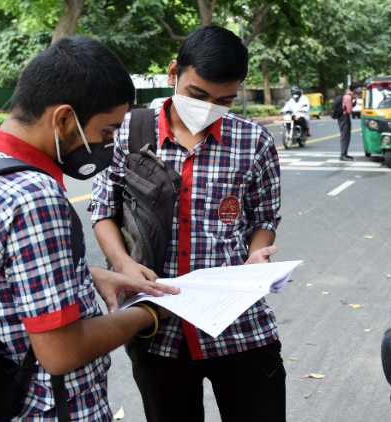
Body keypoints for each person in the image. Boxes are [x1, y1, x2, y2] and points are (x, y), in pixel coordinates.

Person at [0, 36, 178, 420]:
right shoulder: (34, 197)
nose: (108, 143)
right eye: (106, 131)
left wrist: (91, 276)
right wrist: (153, 313)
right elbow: (60, 352)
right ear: (64, 118)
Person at [92, 25, 284, 422]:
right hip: (158, 329)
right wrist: (124, 265)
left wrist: (256, 259)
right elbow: (103, 210)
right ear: (173, 72)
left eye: (224, 100)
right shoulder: (128, 131)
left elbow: (264, 218)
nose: (209, 106)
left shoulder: (254, 142)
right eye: (198, 95)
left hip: (239, 327)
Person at [338, 85, 355, 161]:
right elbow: (349, 111)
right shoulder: (348, 97)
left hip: (342, 117)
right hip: (344, 117)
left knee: (346, 135)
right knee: (345, 135)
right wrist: (353, 103)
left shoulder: (347, 96)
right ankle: (343, 155)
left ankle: (345, 153)